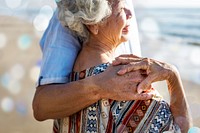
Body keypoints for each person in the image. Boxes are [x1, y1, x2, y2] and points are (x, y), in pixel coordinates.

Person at [33, 0, 191, 132]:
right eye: (121, 10)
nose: (130, 14)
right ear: (93, 24)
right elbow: (180, 128)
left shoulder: (71, 81)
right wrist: (172, 75)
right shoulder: (126, 84)